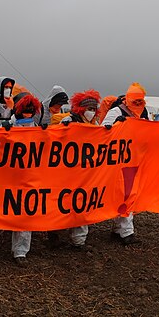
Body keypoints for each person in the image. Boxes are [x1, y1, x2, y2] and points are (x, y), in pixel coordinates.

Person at [101, 83, 149, 246]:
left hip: (135, 160)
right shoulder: (116, 112)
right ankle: (126, 232)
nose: (137, 103)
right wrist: (117, 125)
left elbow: (148, 131)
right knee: (124, 194)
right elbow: (103, 133)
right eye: (135, 100)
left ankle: (120, 229)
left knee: (129, 195)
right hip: (117, 161)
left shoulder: (143, 113)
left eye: (140, 100)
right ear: (128, 99)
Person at [61, 89, 102, 249]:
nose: (91, 112)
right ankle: (55, 233)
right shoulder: (69, 121)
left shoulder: (95, 125)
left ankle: (79, 239)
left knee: (82, 204)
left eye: (93, 109)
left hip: (86, 172)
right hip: (68, 170)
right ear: (80, 109)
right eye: (88, 109)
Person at [7, 94, 42, 266]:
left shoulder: (37, 128)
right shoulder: (7, 124)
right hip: (7, 177)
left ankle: (20, 251)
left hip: (29, 177)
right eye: (25, 111)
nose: (28, 115)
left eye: (31, 111)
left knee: (25, 212)